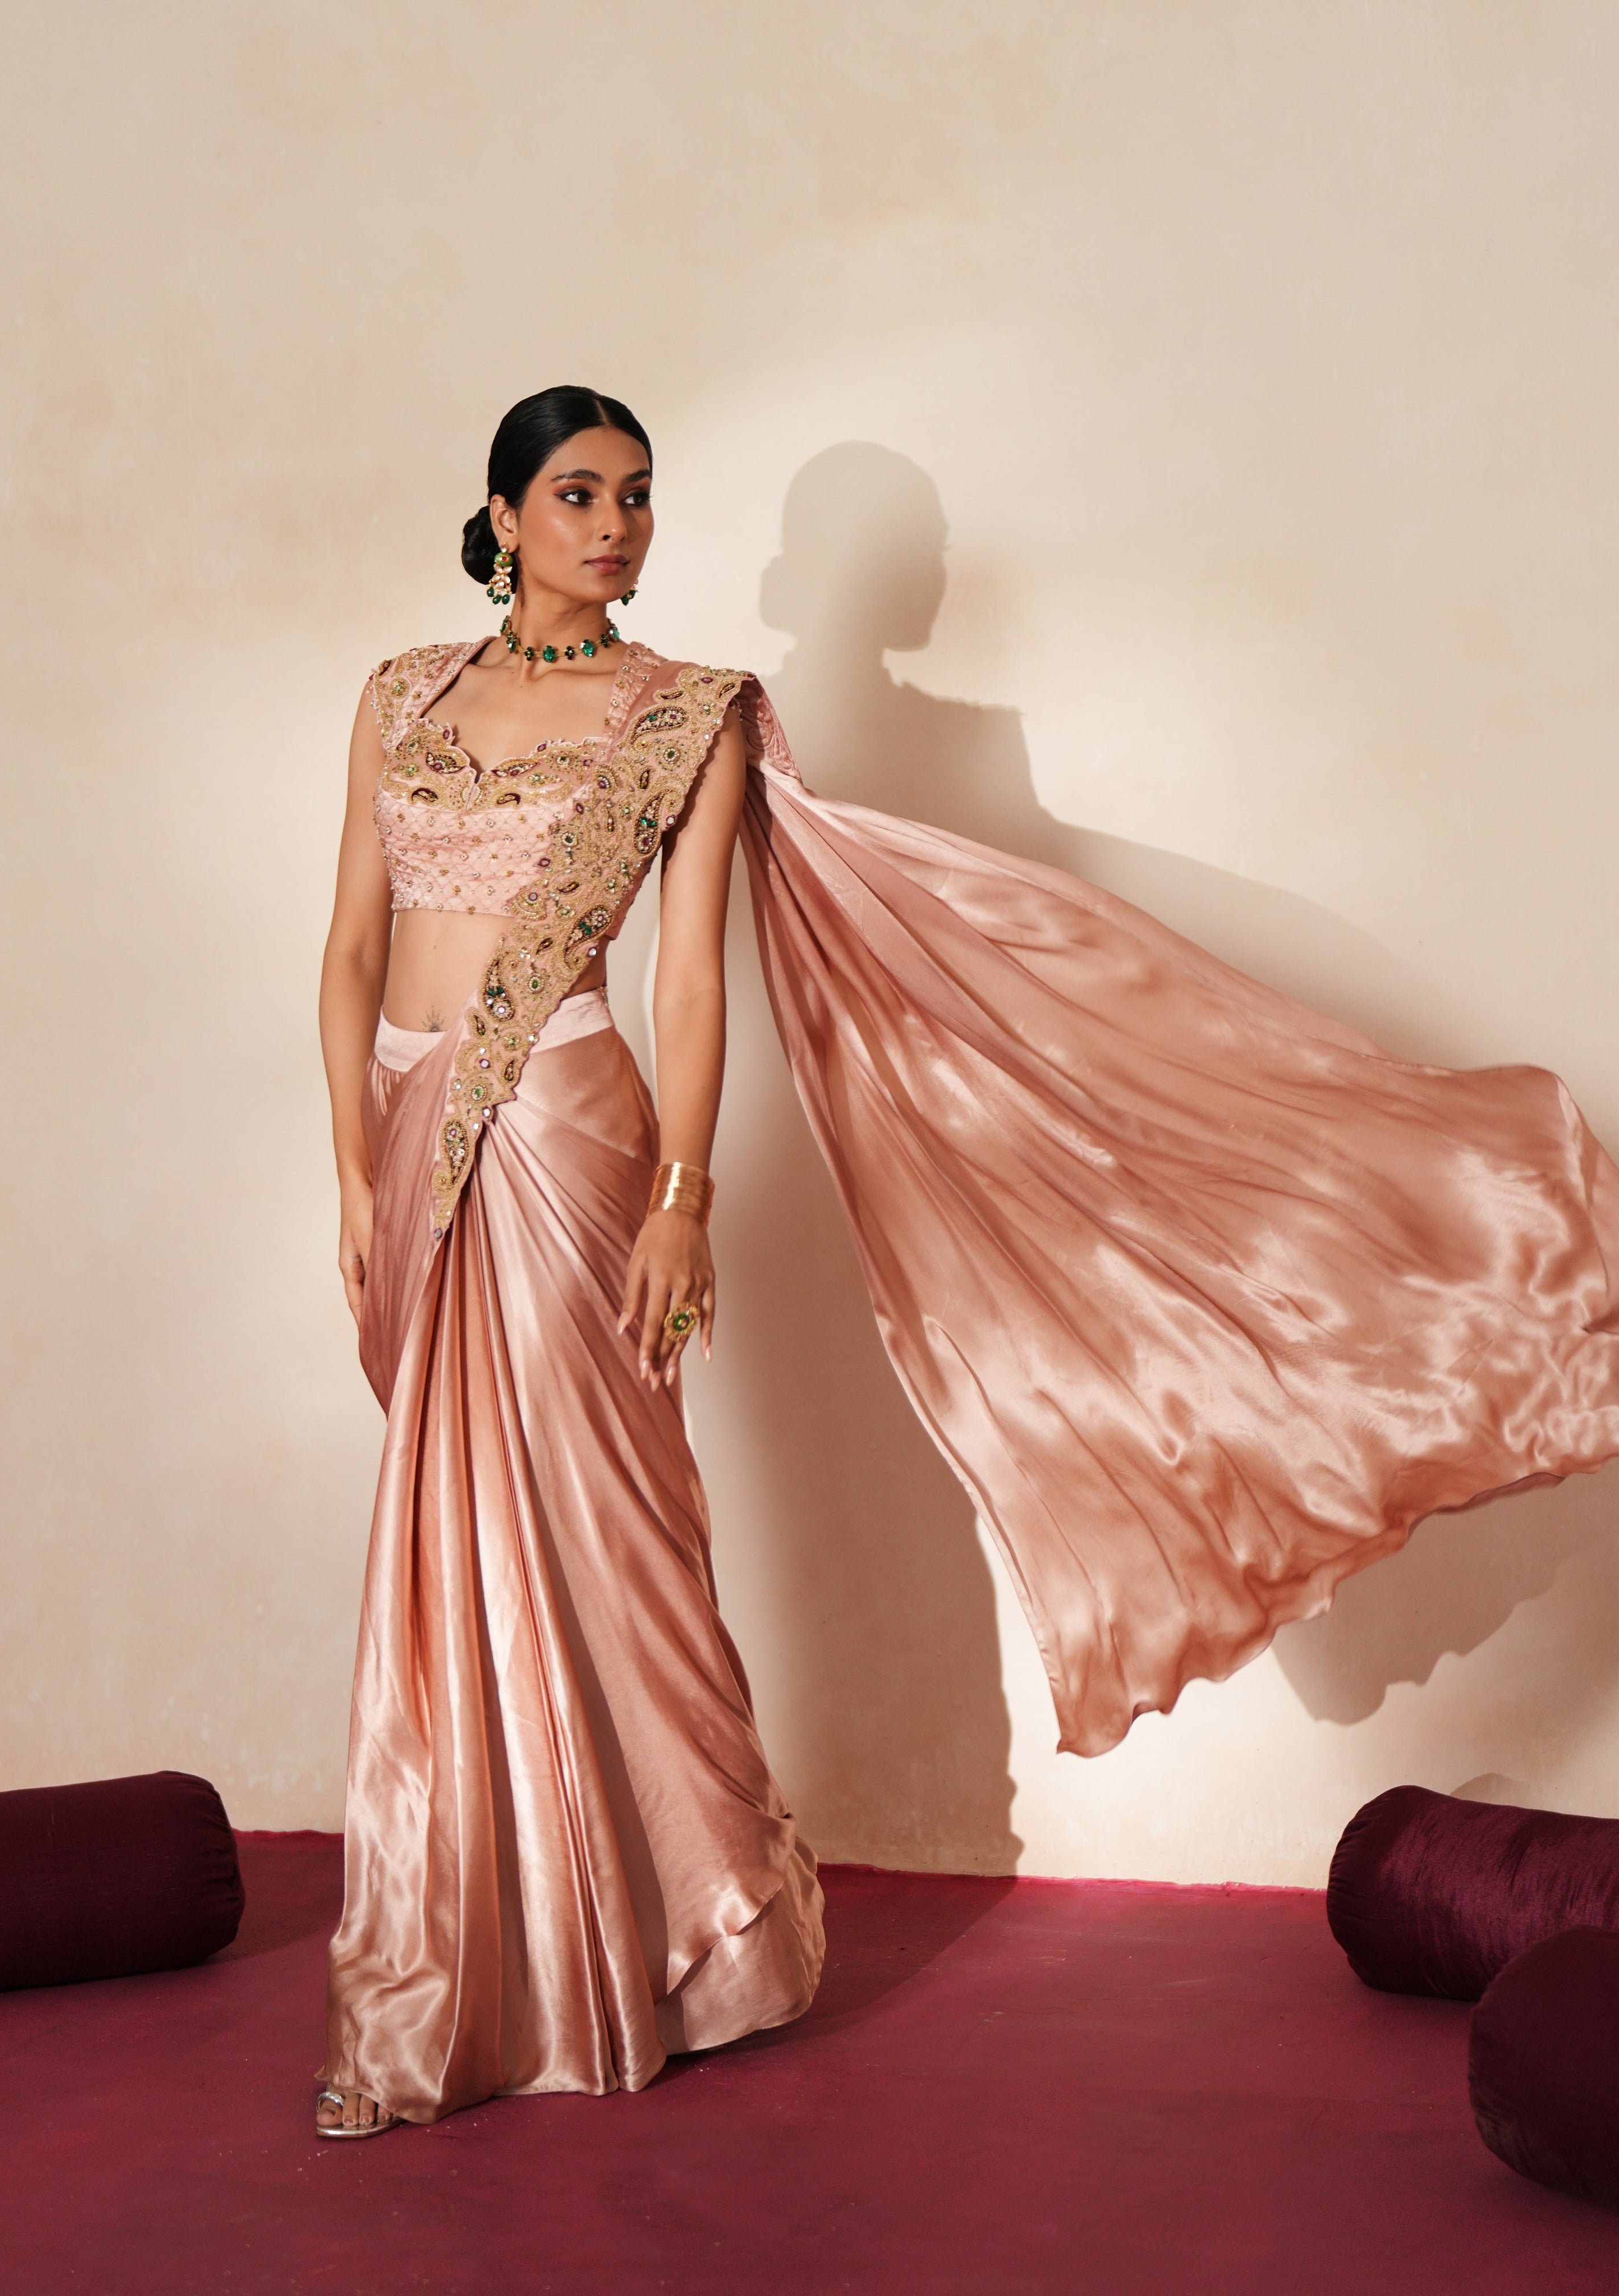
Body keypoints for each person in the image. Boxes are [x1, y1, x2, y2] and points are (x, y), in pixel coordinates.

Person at [317, 384, 1619, 2136]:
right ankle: (462, 1937)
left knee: (597, 1528)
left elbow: (692, 981)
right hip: (409, 1148)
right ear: (500, 516)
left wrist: (688, 1189)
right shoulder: (398, 697)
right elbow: (347, 949)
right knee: (436, 1538)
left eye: (637, 495)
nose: (615, 525)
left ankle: (665, 1944)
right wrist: (349, 1171)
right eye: (575, 495)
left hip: (565, 1135)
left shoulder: (685, 717)